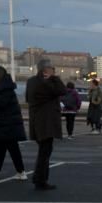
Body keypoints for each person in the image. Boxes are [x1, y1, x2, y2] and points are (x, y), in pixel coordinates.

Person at [26, 59, 66, 190]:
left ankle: (39, 178)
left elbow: (27, 98)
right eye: (51, 68)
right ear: (46, 70)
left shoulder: (31, 81)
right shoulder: (46, 82)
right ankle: (40, 179)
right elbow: (61, 90)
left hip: (37, 121)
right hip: (46, 122)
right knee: (45, 152)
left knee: (43, 151)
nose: (53, 70)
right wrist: (54, 78)